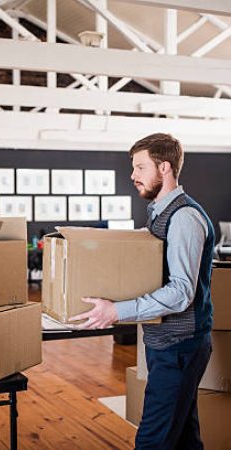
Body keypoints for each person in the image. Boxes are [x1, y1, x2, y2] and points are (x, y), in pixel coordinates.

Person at [69, 133, 214, 449]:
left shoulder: (184, 217)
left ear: (164, 167)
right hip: (168, 343)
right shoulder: (161, 214)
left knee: (152, 441)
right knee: (184, 438)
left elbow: (180, 292)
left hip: (180, 345)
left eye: (139, 167)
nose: (132, 176)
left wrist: (116, 310)